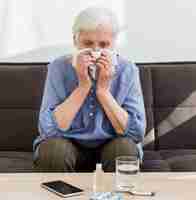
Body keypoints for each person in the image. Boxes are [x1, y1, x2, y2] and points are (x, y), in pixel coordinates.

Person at [33, 6, 146, 172]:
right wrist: (83, 86)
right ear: (75, 40)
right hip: (68, 143)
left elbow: (136, 133)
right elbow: (48, 130)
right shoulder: (58, 68)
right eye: (87, 43)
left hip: (112, 143)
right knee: (52, 151)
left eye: (104, 44)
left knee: (125, 149)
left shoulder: (127, 70)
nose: (95, 52)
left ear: (114, 43)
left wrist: (103, 91)